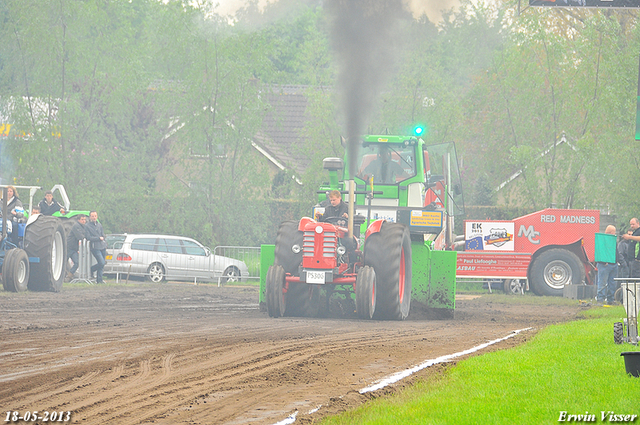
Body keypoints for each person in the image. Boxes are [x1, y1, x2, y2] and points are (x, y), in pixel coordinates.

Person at [595, 225, 618, 305]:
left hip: (613, 264)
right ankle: (600, 299)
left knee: (612, 283)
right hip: (604, 265)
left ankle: (610, 300)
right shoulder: (602, 240)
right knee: (602, 282)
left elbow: (616, 252)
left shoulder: (613, 241)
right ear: (612, 232)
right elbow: (601, 252)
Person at [85, 211, 107, 284]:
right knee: (101, 262)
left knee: (102, 265)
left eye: (95, 216)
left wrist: (103, 238)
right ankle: (92, 269)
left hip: (102, 246)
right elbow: (88, 237)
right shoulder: (87, 226)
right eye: (92, 216)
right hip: (95, 247)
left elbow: (102, 234)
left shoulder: (99, 225)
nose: (94, 217)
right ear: (90, 217)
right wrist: (98, 238)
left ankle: (99, 280)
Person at [66, 214, 87, 281]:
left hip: (74, 249)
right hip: (68, 247)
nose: (84, 221)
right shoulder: (76, 226)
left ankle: (70, 275)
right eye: (82, 219)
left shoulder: (83, 227)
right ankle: (62, 276)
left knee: (77, 263)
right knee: (63, 263)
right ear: (78, 220)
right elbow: (80, 236)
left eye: (84, 220)